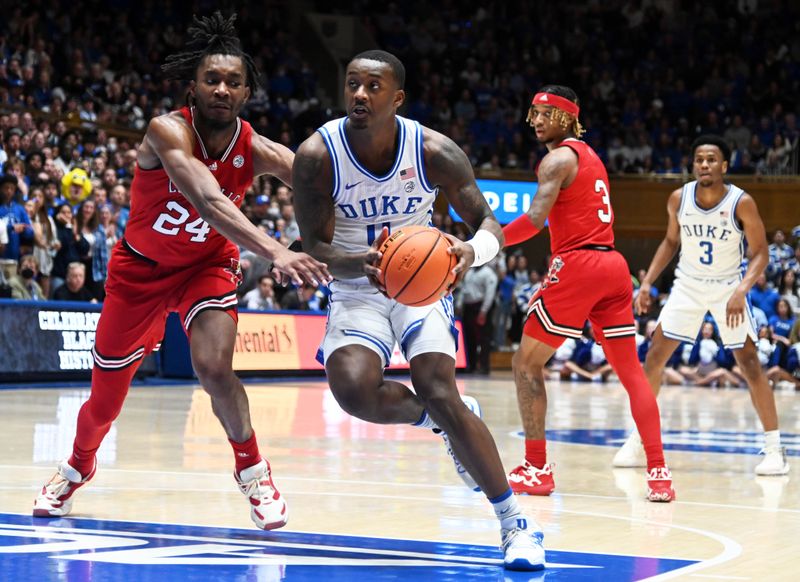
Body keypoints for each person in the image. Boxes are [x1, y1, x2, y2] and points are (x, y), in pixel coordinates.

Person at [33, 12, 330, 531]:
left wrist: (344, 226)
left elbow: (315, 181)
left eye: (233, 82)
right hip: (140, 273)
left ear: (246, 93)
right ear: (192, 86)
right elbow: (212, 203)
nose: (221, 88)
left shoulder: (255, 147)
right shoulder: (166, 130)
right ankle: (78, 465)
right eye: (211, 79)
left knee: (215, 368)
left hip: (207, 267)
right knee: (104, 403)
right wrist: (278, 251)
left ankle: (253, 471)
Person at [291, 50, 545, 571]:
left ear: (397, 97)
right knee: (353, 391)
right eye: (353, 85)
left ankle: (515, 522)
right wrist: (359, 261)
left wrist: (469, 252)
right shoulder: (317, 155)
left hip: (423, 286)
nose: (360, 95)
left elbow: (489, 226)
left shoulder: (433, 150)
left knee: (437, 384)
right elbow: (313, 247)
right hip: (358, 283)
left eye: (373, 87)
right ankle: (439, 423)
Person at [501, 85, 674, 502]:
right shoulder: (590, 156)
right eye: (534, 114)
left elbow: (534, 220)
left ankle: (537, 468)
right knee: (632, 374)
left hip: (579, 264)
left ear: (565, 117)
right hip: (614, 267)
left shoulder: (556, 159)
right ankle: (659, 474)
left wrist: (482, 245)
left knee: (525, 363)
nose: (537, 121)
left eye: (545, 113)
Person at [613, 134, 789, 476]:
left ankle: (774, 449)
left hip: (727, 288)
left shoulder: (742, 202)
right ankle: (639, 439)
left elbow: (760, 253)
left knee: (750, 363)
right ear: (693, 165)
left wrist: (742, 289)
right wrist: (647, 282)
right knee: (653, 358)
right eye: (699, 159)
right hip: (688, 286)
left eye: (711, 159)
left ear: (724, 165)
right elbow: (669, 241)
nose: (704, 165)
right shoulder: (679, 198)